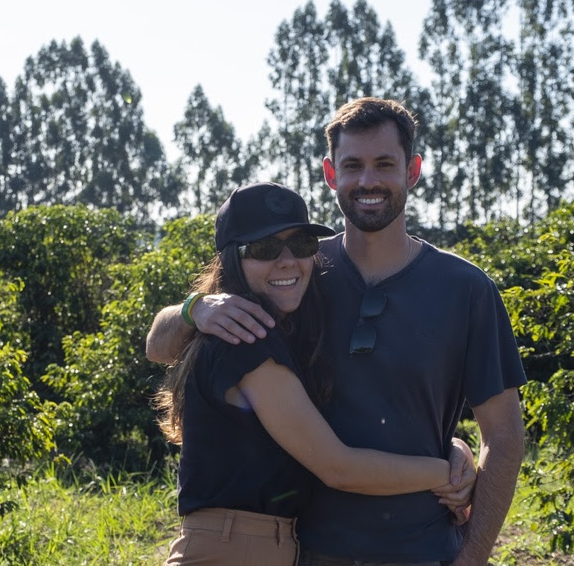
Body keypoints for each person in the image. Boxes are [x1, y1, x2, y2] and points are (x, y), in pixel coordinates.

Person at [147, 98, 527, 566]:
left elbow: (504, 437)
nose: (368, 181)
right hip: (305, 550)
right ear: (331, 174)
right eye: (352, 166)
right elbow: (159, 346)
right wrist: (194, 308)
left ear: (412, 171)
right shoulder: (297, 274)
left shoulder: (466, 289)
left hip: (424, 550)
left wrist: (471, 554)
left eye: (384, 164)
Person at [155, 181, 468, 566]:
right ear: (232, 261)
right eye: (265, 248)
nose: (287, 260)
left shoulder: (279, 332)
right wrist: (446, 473)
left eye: (301, 244)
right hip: (234, 547)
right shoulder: (246, 339)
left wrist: (451, 446)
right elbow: (338, 467)